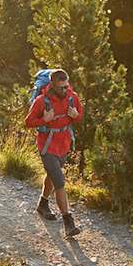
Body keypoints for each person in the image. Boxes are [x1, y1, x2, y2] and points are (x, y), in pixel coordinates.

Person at [24, 69, 84, 238]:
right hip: (47, 145)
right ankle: (68, 222)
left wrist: (76, 115)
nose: (65, 90)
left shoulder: (72, 97)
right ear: (52, 85)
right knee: (59, 182)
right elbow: (28, 122)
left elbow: (80, 117)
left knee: (52, 175)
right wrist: (44, 120)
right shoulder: (41, 101)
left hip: (64, 144)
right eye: (61, 88)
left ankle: (42, 204)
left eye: (66, 86)